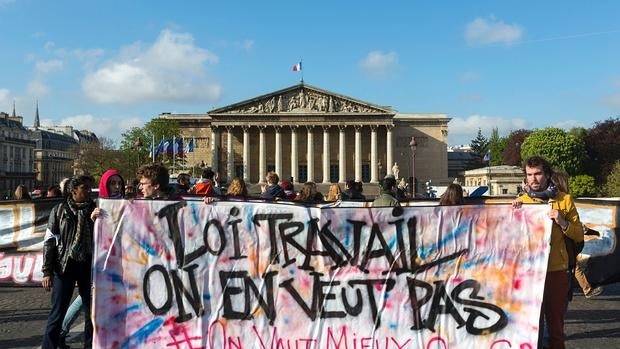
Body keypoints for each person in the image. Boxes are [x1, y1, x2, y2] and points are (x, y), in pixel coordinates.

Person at [512, 156, 583, 349]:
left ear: (547, 174)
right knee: (528, 329)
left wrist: (563, 222)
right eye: (529, 175)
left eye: (538, 174)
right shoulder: (519, 202)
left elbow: (579, 235)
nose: (533, 179)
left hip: (556, 272)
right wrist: (512, 216)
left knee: (556, 330)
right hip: (527, 274)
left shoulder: (565, 200)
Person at [41, 175, 96, 349]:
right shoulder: (59, 210)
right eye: (85, 188)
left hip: (88, 265)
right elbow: (49, 241)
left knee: (91, 313)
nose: (89, 191)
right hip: (64, 265)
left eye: (89, 188)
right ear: (74, 190)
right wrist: (47, 271)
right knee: (57, 313)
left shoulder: (95, 209)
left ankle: (90, 345)